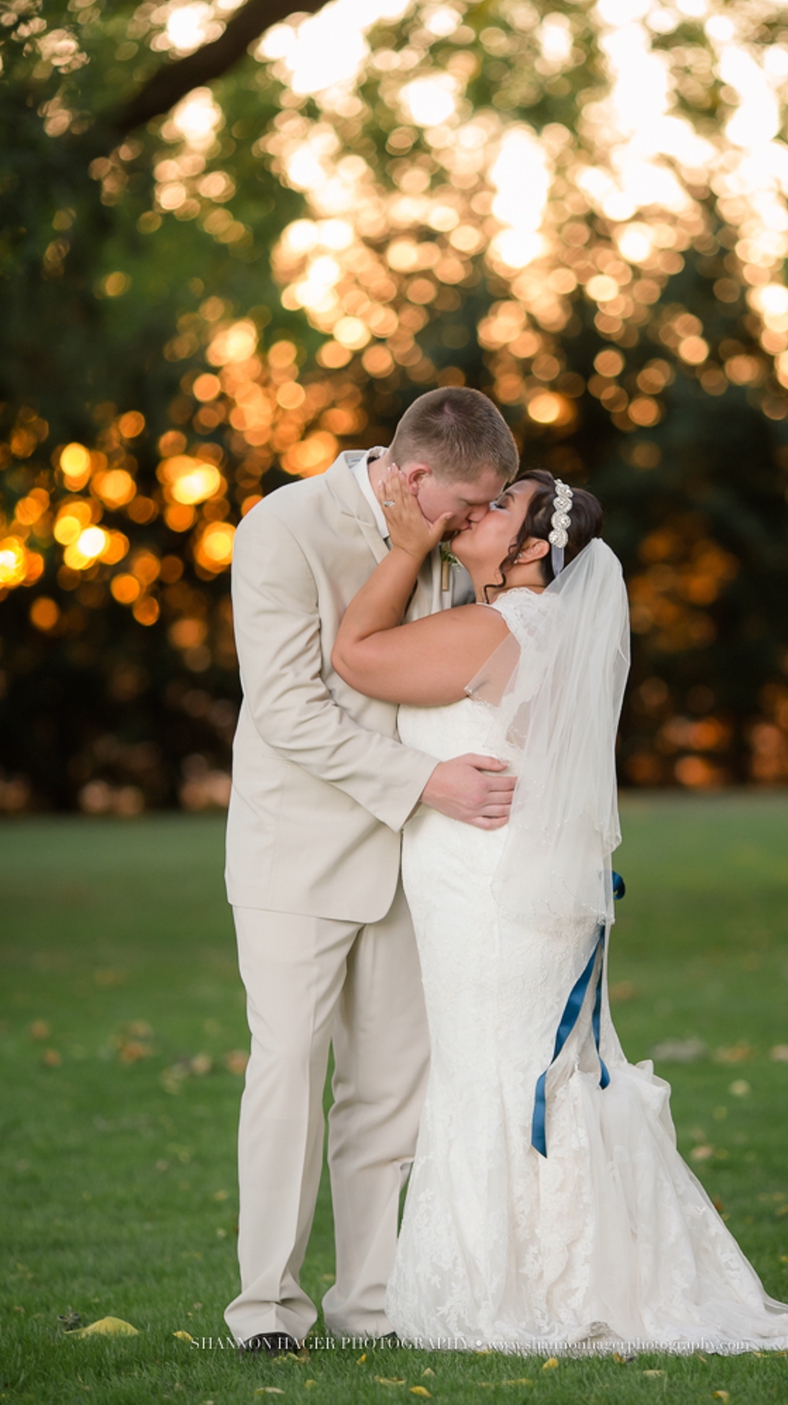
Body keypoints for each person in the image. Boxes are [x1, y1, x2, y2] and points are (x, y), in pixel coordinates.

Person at [331, 466, 788, 1354]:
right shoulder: (544, 631)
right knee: (529, 1070)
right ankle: (573, 1270)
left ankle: (529, 1287)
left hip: (492, 891)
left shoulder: (497, 627)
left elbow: (355, 654)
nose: (480, 509)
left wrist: (411, 543)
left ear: (535, 546)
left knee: (500, 1073)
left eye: (502, 506)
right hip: (504, 884)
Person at [223, 387, 521, 1354]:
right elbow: (288, 709)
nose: (475, 525)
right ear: (416, 476)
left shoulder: (442, 541)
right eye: (466, 507)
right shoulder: (282, 526)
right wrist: (424, 779)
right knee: (287, 1073)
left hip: (418, 860)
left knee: (389, 1092)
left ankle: (370, 1306)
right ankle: (265, 1310)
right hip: (295, 855)